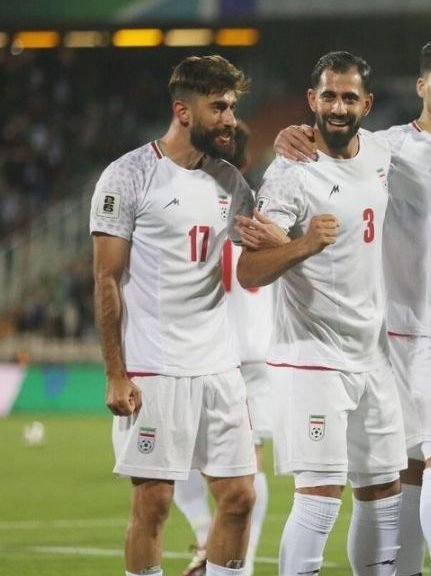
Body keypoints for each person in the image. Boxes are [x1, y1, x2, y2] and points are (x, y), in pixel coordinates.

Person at [275, 37, 431, 576]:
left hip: (402, 346)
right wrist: (292, 134)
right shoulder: (393, 144)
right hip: (367, 343)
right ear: (421, 87)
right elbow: (332, 140)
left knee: (391, 486)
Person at [236, 51, 407, 576]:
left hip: (373, 356)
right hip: (311, 357)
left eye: (349, 97)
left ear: (367, 103)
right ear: (311, 100)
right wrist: (305, 245)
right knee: (320, 498)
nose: (338, 107)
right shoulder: (291, 172)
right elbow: (250, 270)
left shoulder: (384, 152)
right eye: (328, 96)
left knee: (383, 493)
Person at [90, 55, 257, 576]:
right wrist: (116, 372)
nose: (230, 118)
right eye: (218, 107)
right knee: (154, 505)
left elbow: (254, 267)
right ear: (183, 111)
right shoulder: (129, 175)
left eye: (232, 106)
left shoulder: (232, 183)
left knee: (240, 497)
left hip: (219, 367)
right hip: (154, 368)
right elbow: (106, 280)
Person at [174, 122, 275, 576]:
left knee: (178, 459)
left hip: (208, 351)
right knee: (242, 467)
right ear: (249, 162)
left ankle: (211, 543)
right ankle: (227, 555)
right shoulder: (267, 208)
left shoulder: (184, 205)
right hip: (254, 350)